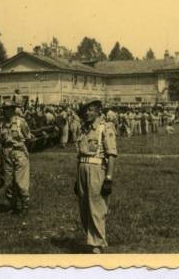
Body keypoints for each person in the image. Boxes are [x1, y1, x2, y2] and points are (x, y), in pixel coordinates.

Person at [74, 99, 117, 254]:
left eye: (91, 110)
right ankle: (91, 239)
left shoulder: (105, 128)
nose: (87, 113)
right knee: (84, 208)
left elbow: (111, 155)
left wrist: (109, 178)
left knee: (96, 207)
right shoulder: (84, 129)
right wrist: (76, 177)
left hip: (97, 169)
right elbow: (80, 155)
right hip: (82, 170)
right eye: (86, 110)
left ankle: (97, 244)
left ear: (99, 110)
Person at [0, 100, 32, 216]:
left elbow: (28, 138)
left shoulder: (20, 122)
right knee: (8, 181)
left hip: (18, 152)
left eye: (8, 109)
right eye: (4, 109)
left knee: (20, 181)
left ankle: (25, 204)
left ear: (13, 110)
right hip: (6, 152)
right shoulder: (2, 124)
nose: (5, 111)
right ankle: (13, 204)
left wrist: (22, 149)